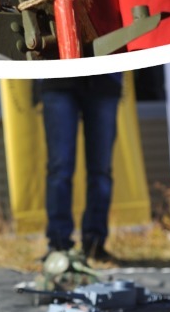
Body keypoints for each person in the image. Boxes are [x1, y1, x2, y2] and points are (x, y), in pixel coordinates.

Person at [38, 74, 124, 264]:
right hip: (58, 78)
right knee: (59, 169)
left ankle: (95, 244)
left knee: (101, 170)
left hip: (105, 80)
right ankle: (59, 245)